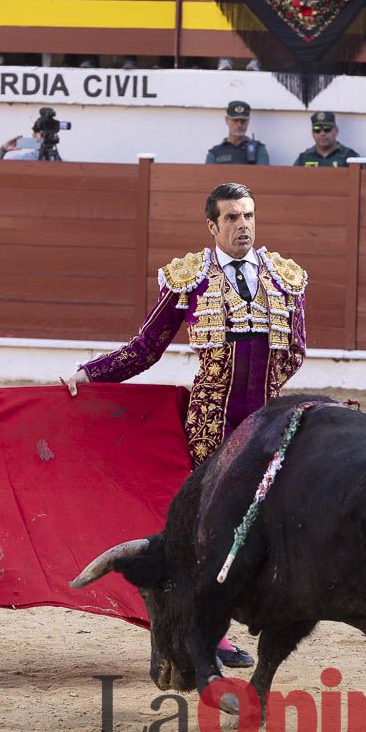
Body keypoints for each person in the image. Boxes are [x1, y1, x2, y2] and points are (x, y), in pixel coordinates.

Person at [65, 181, 307, 670]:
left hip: (264, 426)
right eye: (233, 218)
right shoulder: (189, 278)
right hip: (210, 427)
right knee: (209, 529)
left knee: (264, 522)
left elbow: (296, 350)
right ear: (213, 226)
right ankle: (209, 633)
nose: (243, 226)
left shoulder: (285, 277)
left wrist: (266, 402)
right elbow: (145, 348)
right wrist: (91, 373)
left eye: (249, 216)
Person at [205, 101, 270, 166]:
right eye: (235, 120)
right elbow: (209, 175)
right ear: (227, 120)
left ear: (248, 121)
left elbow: (262, 175)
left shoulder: (258, 150)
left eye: (243, 121)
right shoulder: (215, 153)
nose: (239, 124)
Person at [293, 111, 361, 168]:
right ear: (312, 133)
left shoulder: (350, 157)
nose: (322, 133)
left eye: (327, 129)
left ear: (336, 131)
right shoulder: (304, 158)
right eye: (317, 130)